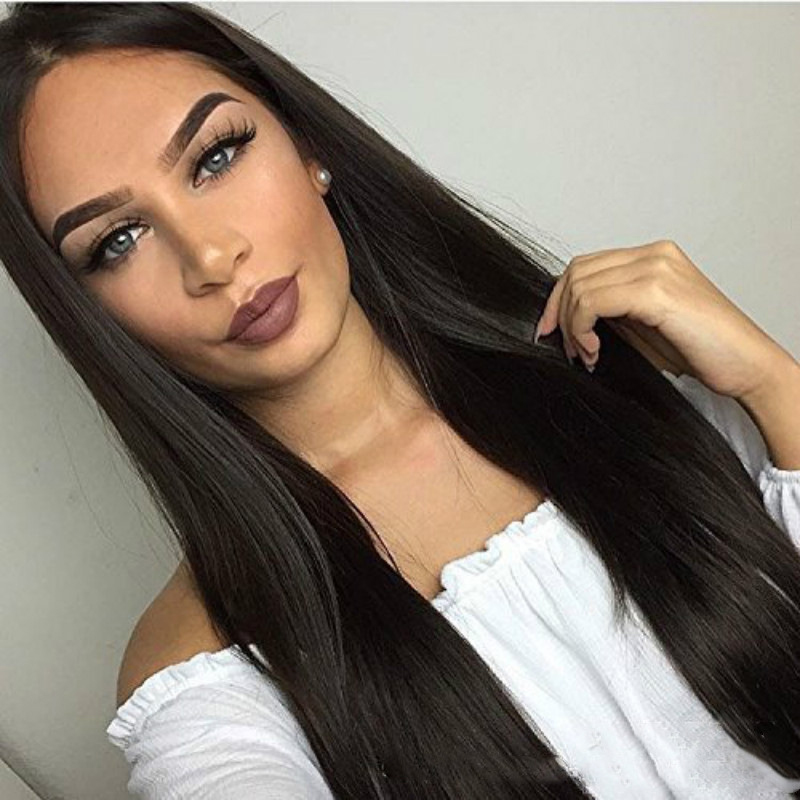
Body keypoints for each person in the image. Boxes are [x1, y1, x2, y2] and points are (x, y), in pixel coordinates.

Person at [1, 4, 799, 798]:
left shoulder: (615, 379)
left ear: (307, 146)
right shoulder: (208, 673)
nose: (210, 257)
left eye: (216, 156)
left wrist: (774, 380)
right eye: (118, 241)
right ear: (90, 314)